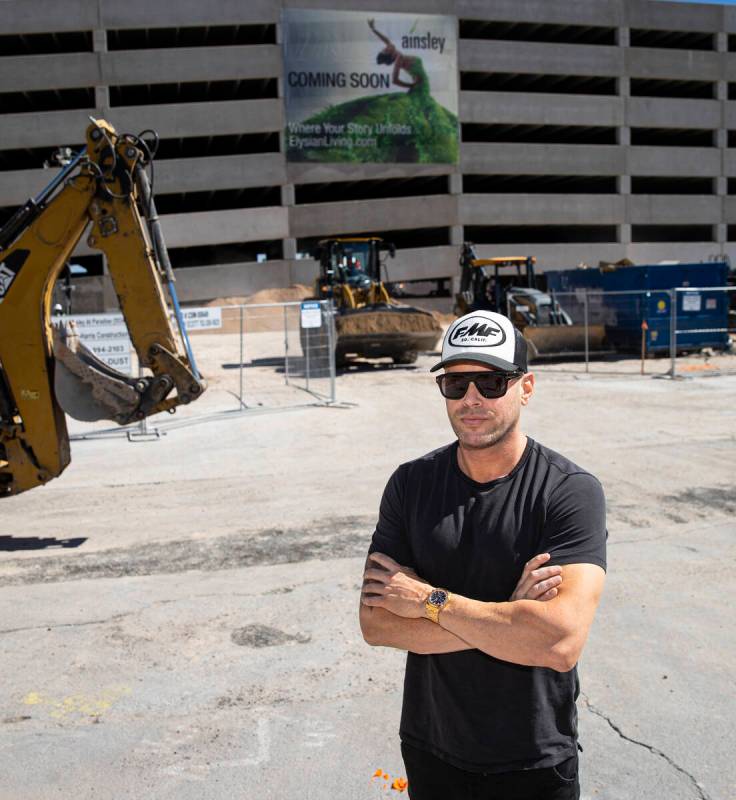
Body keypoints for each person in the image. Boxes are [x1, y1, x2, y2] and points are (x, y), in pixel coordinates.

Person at [360, 309, 606, 800]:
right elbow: (376, 625)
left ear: (526, 386)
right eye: (456, 383)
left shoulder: (569, 491)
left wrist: (431, 602)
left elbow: (558, 645)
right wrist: (512, 621)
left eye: (491, 383)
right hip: (432, 752)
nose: (471, 399)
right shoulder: (410, 485)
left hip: (534, 759)